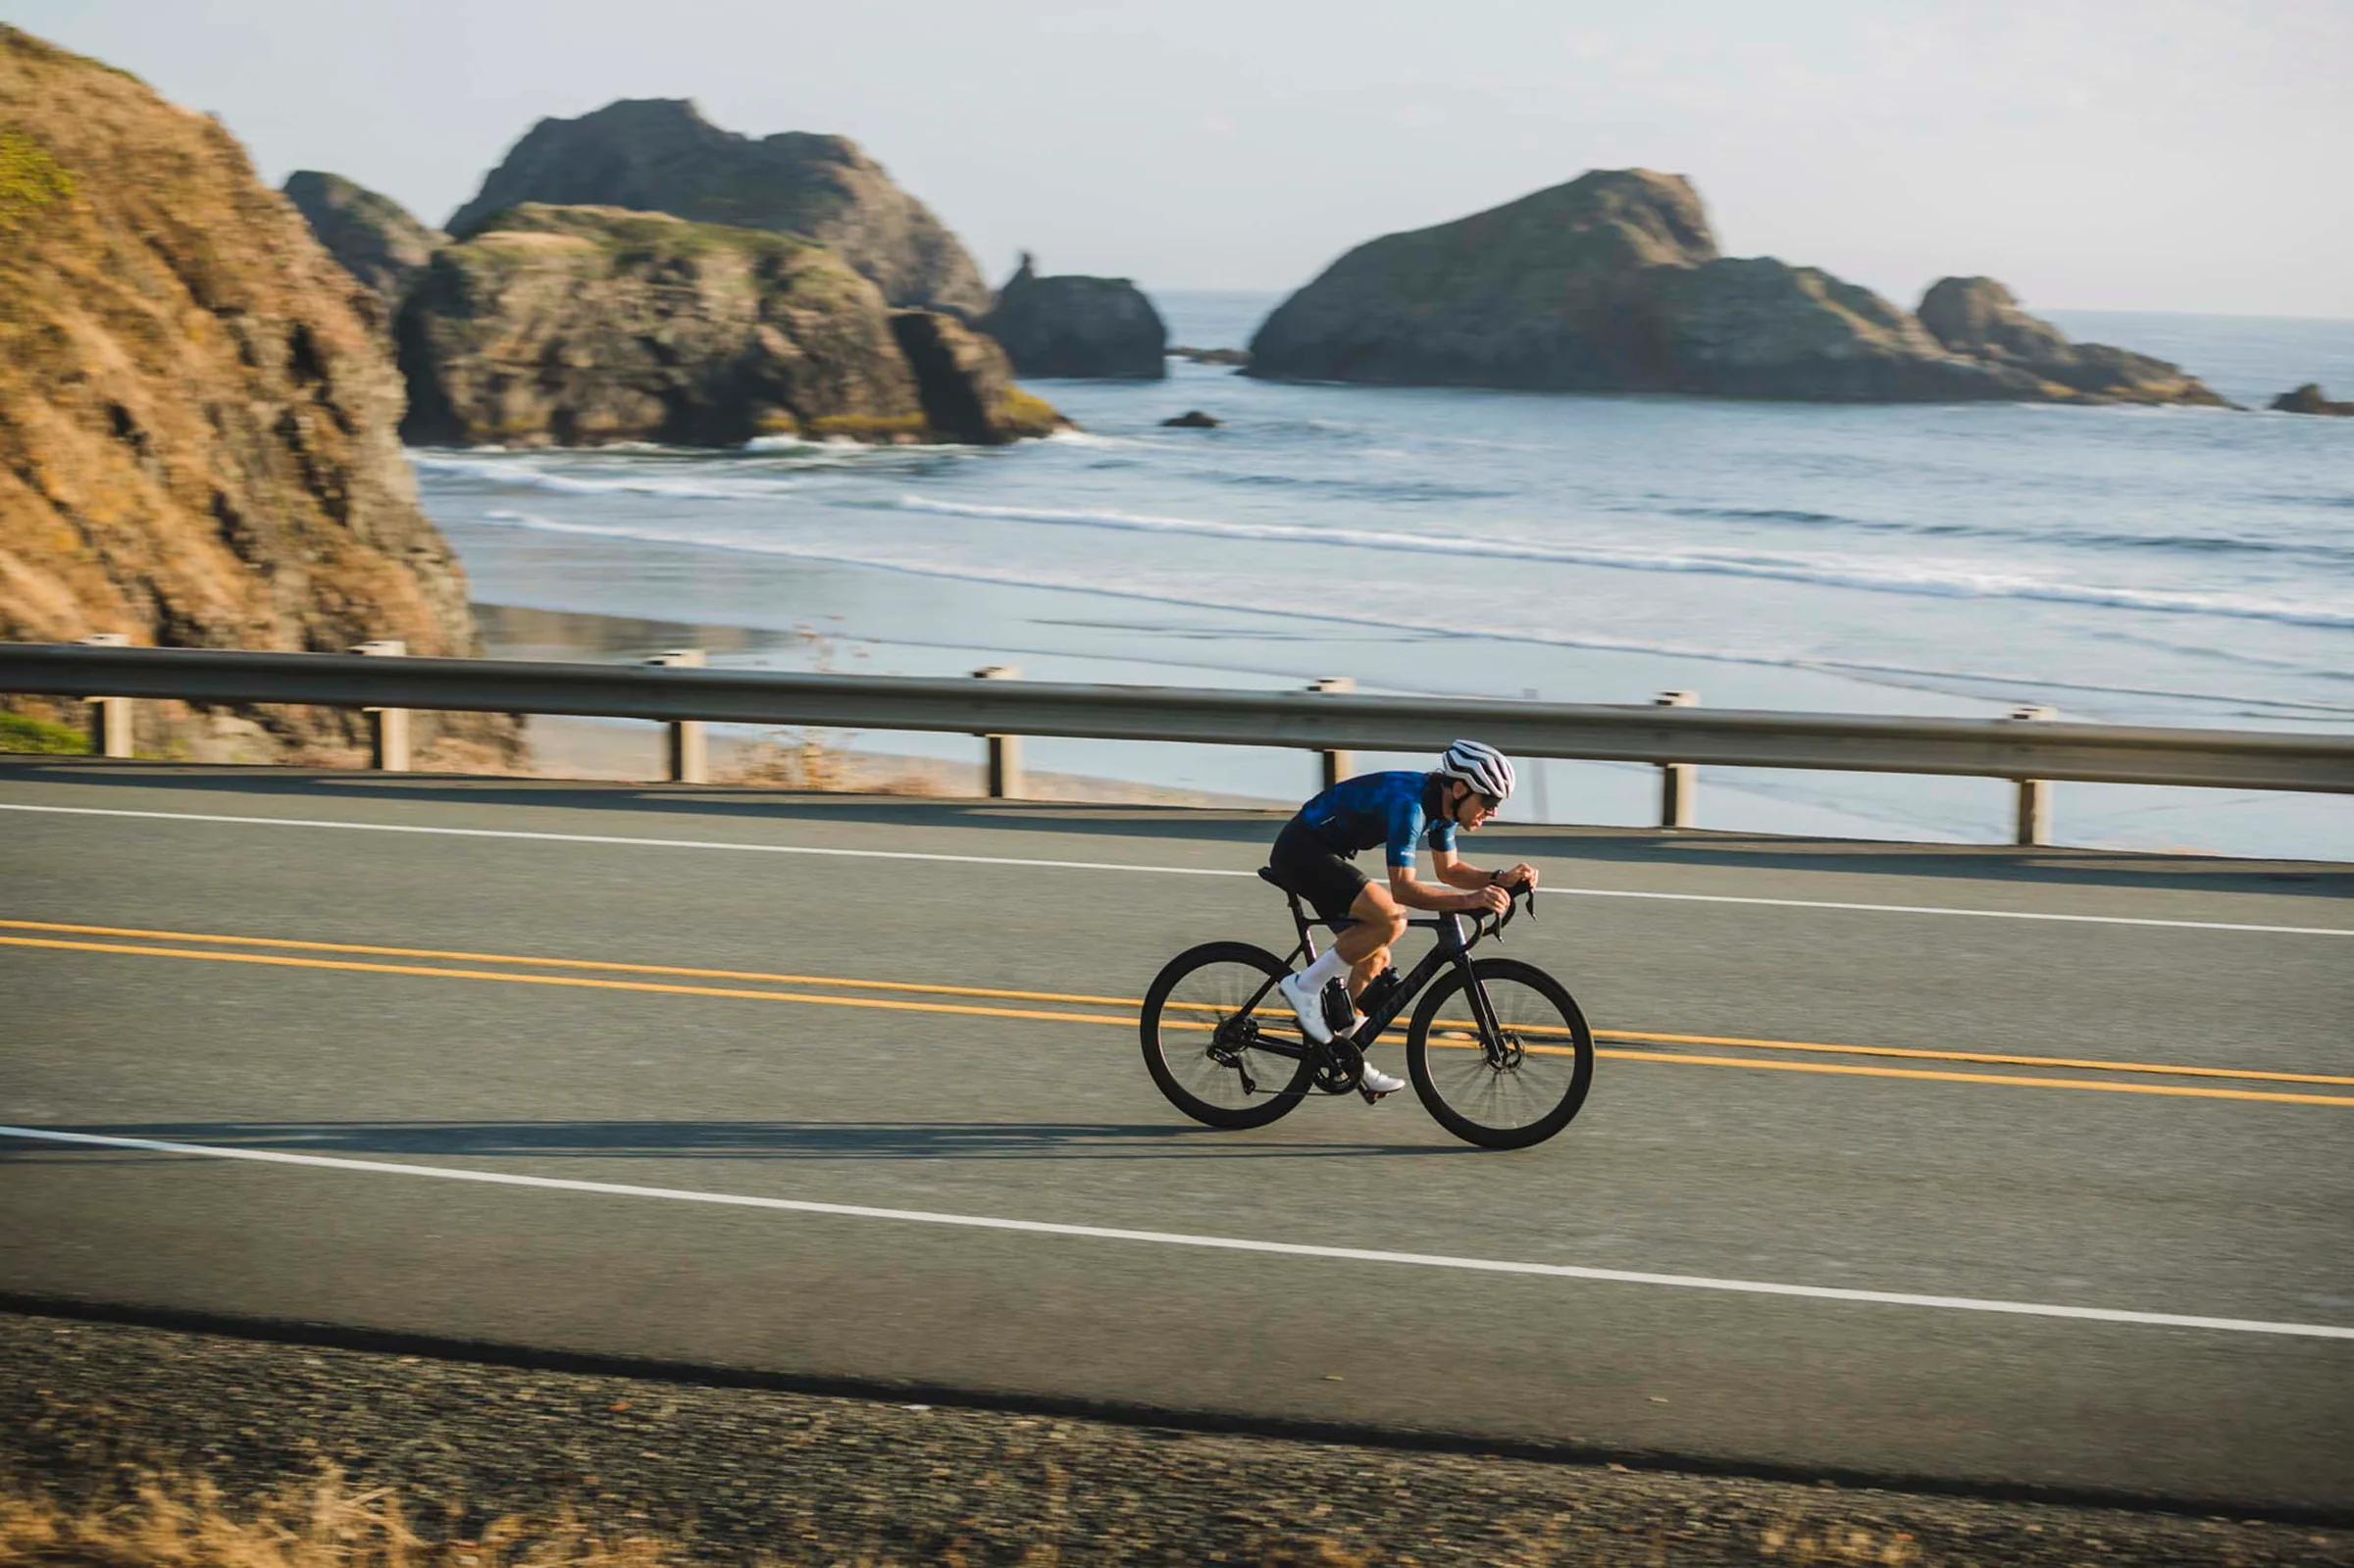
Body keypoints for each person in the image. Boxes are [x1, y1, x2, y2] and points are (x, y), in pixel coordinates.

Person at [1267, 738, 1538, 1096]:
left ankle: (1347, 1057)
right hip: (1302, 851)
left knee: (1376, 956)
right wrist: (1471, 899)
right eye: (1488, 801)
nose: (1493, 811)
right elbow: (1403, 890)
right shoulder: (1410, 807)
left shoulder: (1443, 810)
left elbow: (1450, 870)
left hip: (1325, 853)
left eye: (1496, 803)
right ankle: (1303, 988)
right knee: (1391, 919)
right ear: (1459, 789)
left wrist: (1497, 879)